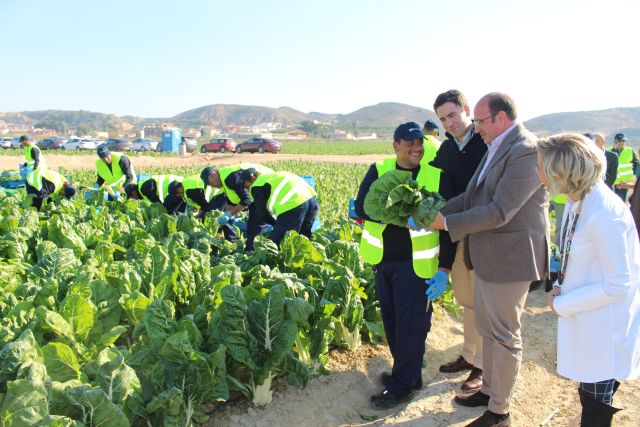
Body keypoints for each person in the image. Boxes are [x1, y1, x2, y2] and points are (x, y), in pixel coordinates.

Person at [428, 93, 548, 427]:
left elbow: (499, 211)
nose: (475, 128)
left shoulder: (525, 149)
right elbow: (471, 196)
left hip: (509, 259)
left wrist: (446, 223)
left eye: (479, 121)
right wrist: (436, 212)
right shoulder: (496, 145)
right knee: (489, 331)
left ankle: (500, 412)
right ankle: (489, 390)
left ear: (500, 117)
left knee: (505, 336)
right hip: (486, 255)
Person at [538, 133, 640, 426]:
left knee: (596, 399)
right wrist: (560, 285)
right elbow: (575, 252)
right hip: (588, 318)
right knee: (590, 389)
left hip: (603, 326)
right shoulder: (578, 200)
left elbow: (617, 284)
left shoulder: (605, 213)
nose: (537, 172)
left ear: (562, 172)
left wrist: (565, 303)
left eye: (540, 166)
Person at [355, 122, 442, 409]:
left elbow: (449, 212)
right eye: (409, 143)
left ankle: (402, 386)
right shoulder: (379, 169)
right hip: (384, 261)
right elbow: (363, 207)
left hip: (416, 264)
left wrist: (447, 269)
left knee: (411, 326)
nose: (416, 147)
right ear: (395, 145)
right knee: (392, 323)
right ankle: (407, 375)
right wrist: (399, 216)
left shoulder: (433, 174)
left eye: (420, 142)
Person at [429, 90, 487, 392]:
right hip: (458, 234)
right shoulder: (447, 152)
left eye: (452, 114)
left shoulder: (486, 143)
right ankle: (469, 355)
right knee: (467, 301)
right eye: (443, 119)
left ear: (466, 109)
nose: (449, 123)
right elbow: (440, 197)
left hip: (487, 236)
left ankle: (483, 367)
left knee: (485, 303)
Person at [245, 170, 317, 251]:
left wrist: (276, 224)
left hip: (292, 203)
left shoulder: (256, 185)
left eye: (246, 186)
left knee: (276, 247)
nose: (247, 189)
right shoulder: (271, 177)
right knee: (303, 241)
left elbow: (262, 214)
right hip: (311, 198)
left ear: (253, 178)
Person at [609, 133, 637, 201]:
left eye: (623, 141)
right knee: (611, 202)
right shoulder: (609, 151)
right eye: (620, 141)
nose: (622, 142)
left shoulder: (629, 151)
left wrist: (633, 173)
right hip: (612, 182)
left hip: (624, 183)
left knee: (621, 202)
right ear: (615, 142)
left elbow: (636, 164)